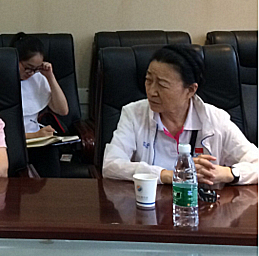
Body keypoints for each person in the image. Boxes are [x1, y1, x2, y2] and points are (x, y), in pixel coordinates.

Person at [103, 44, 258, 185]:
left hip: (203, 205)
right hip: (151, 204)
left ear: (190, 90)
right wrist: (168, 175)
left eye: (162, 85)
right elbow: (111, 165)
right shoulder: (133, 114)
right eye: (148, 80)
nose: (151, 91)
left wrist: (229, 173)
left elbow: (256, 163)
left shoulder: (215, 120)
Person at [11, 33, 69, 178]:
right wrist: (35, 135)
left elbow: (62, 110)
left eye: (36, 69)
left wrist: (49, 76)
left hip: (37, 142)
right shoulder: (0, 80)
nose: (31, 73)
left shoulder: (37, 78)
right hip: (12, 143)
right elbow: (1, 132)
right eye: (28, 68)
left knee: (50, 155)